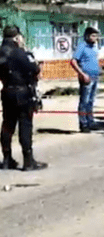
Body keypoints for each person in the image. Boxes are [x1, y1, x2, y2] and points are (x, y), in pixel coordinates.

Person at [0, 25, 47, 171]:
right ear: (16, 37)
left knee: (7, 125)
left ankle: (7, 159)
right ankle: (28, 160)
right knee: (25, 125)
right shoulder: (21, 53)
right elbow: (35, 70)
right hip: (23, 92)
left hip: (7, 91)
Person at [71, 27, 100, 133]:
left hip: (95, 76)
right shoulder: (82, 46)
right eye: (93, 35)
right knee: (84, 101)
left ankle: (90, 121)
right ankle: (83, 123)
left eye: (96, 36)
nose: (95, 38)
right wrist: (82, 74)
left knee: (91, 101)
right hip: (86, 77)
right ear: (87, 36)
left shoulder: (94, 47)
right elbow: (73, 61)